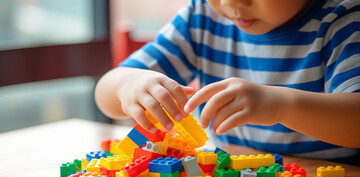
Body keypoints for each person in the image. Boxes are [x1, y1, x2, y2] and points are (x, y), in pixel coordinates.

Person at [95, 0, 360, 163]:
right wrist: (129, 84)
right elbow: (106, 94)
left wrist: (282, 106)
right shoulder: (202, 17)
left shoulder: (342, 20)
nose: (231, 2)